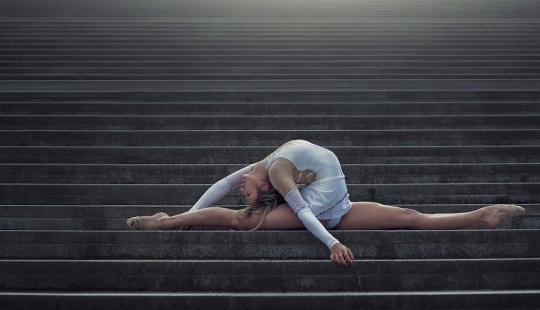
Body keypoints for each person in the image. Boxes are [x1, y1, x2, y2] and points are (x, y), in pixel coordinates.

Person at [127, 139, 525, 267]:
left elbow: (301, 209)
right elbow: (220, 184)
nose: (239, 187)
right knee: (238, 220)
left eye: (244, 190)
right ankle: (164, 222)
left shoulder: (277, 170)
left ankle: (484, 213)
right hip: (322, 212)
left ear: (263, 184)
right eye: (243, 192)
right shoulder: (265, 168)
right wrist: (189, 215)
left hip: (337, 209)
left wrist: (334, 240)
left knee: (409, 216)